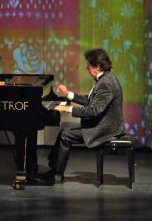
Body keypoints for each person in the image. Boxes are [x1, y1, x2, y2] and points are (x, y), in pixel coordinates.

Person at [41, 48, 125, 184]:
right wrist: (68, 94)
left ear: (97, 67)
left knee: (65, 136)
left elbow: (93, 111)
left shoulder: (106, 83)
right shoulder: (105, 78)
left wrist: (68, 109)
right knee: (64, 133)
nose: (86, 68)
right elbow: (91, 101)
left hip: (106, 128)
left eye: (89, 66)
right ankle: (54, 169)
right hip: (104, 124)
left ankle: (57, 175)